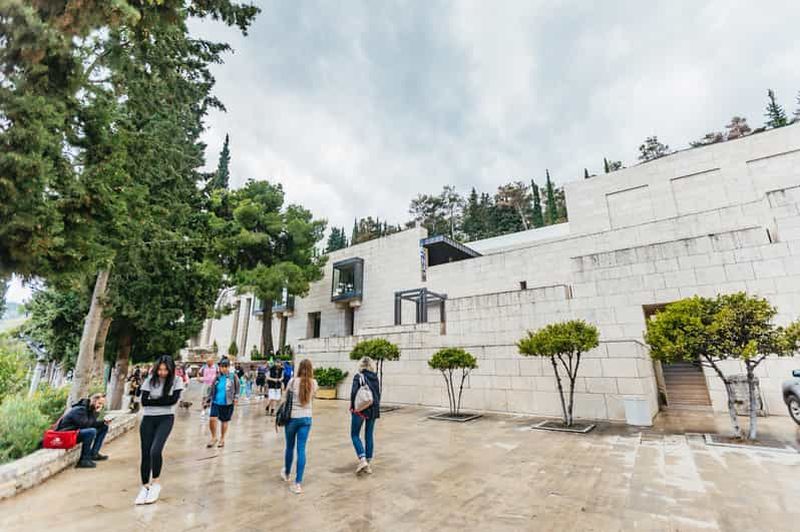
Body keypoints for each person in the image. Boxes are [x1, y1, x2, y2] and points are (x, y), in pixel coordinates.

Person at [136, 355, 184, 505]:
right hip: (148, 419)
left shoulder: (177, 381)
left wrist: (154, 401)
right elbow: (144, 401)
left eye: (165, 370)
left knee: (155, 451)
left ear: (171, 369)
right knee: (145, 453)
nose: (162, 373)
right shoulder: (150, 380)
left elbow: (173, 400)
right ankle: (145, 486)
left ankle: (155, 482)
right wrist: (162, 401)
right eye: (160, 369)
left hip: (166, 418)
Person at [280, 359, 318, 494]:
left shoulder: (292, 382)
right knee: (301, 449)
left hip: (292, 418)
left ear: (299, 368)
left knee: (289, 447)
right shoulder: (314, 383)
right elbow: (312, 398)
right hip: (306, 419)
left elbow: (286, 398)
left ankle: (287, 473)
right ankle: (298, 483)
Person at [56, 393, 110, 468]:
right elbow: (85, 425)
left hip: (75, 433)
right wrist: (96, 412)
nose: (100, 406)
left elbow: (90, 423)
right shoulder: (80, 409)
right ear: (94, 401)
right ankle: (84, 460)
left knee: (104, 427)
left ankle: (94, 454)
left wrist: (103, 422)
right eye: (99, 403)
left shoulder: (89, 409)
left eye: (102, 404)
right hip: (66, 435)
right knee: (91, 431)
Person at [350, 357, 381, 475]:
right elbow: (377, 394)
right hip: (373, 409)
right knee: (369, 434)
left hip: (361, 409)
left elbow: (354, 394)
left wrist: (353, 408)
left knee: (354, 434)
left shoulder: (358, 377)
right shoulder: (375, 378)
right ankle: (368, 462)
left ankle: (362, 459)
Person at [206, 358, 240, 448]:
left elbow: (237, 388)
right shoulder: (217, 377)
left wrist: (236, 398)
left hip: (227, 402)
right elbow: (212, 388)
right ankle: (214, 437)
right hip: (216, 401)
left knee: (224, 421)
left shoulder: (233, 376)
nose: (223, 369)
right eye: (222, 367)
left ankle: (222, 438)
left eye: (225, 367)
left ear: (228, 367)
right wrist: (208, 398)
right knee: (212, 419)